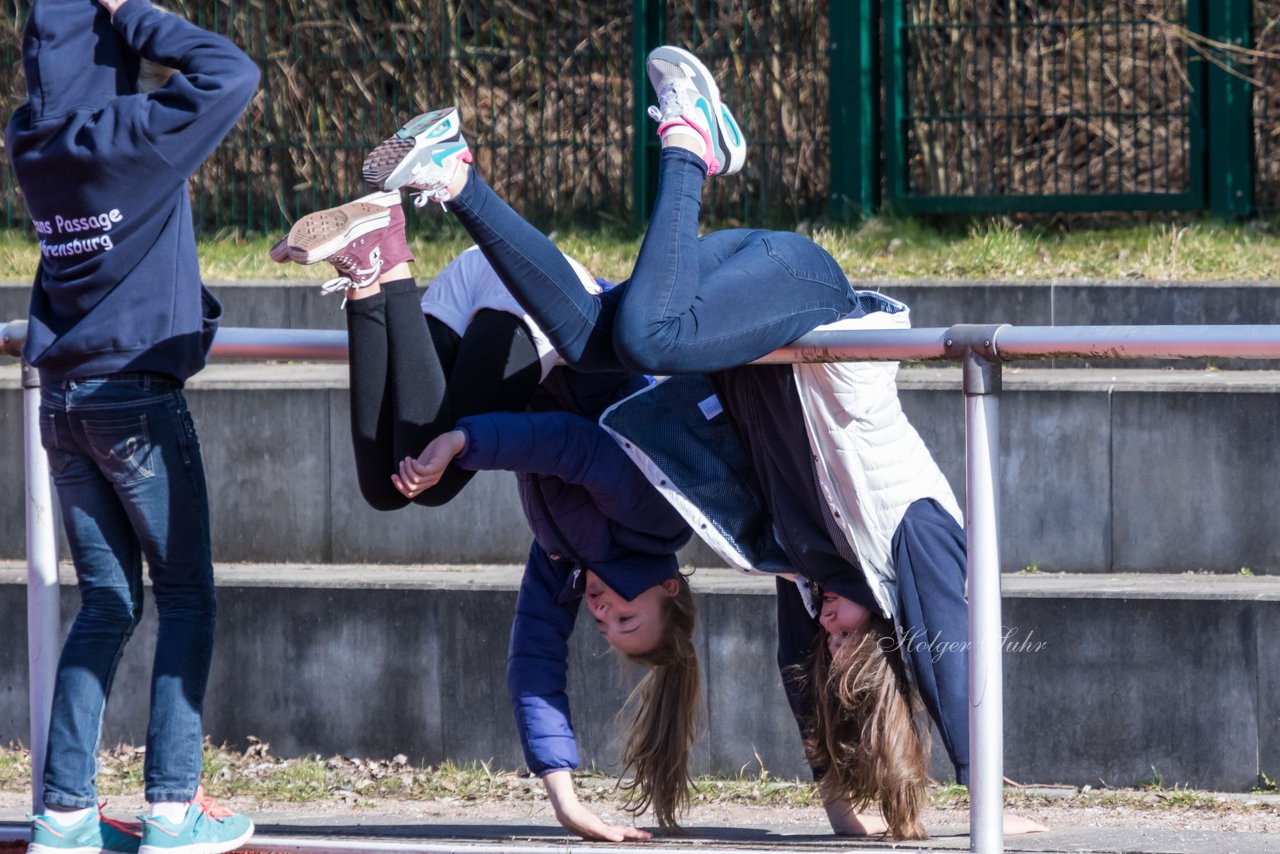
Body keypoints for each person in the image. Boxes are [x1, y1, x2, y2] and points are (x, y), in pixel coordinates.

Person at [357, 46, 1046, 840]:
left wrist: (840, 809)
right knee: (646, 333)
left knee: (589, 336)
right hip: (810, 299)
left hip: (735, 334)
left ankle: (452, 175)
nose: (826, 624)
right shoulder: (908, 529)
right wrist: (988, 800)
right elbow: (954, 655)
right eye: (849, 632)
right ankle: (692, 139)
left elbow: (800, 676)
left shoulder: (798, 564)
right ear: (891, 620)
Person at [270, 196, 700, 840]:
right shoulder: (660, 523)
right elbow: (571, 446)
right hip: (548, 309)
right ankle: (382, 250)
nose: (604, 612)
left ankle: (372, 269)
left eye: (606, 626)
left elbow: (534, 661)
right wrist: (465, 442)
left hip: (489, 318)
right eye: (627, 616)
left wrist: (565, 802)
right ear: (668, 588)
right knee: (434, 478)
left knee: (389, 488)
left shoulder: (566, 558)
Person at [7, 0, 259, 851]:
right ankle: (170, 809)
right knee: (186, 596)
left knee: (108, 603)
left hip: (65, 400)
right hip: (137, 400)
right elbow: (233, 72)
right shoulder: (135, 135)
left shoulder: (29, 141)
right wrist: (139, 13)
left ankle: (66, 816)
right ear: (112, 52)